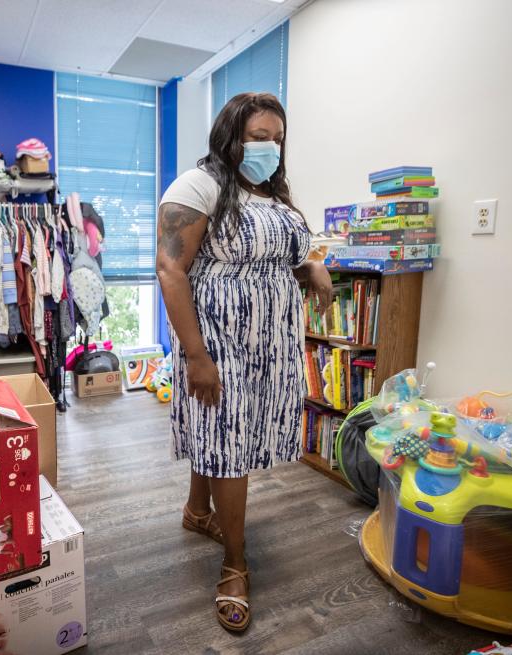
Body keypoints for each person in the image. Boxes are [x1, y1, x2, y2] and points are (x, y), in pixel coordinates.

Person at [156, 92, 333, 632]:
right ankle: (235, 564)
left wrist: (311, 268)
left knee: (221, 431)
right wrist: (195, 355)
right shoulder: (200, 185)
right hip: (220, 341)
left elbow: (278, 254)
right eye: (258, 137)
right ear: (231, 138)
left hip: (271, 344)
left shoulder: (272, 194)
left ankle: (196, 511)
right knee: (228, 443)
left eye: (276, 138)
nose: (269, 147)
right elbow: (170, 269)